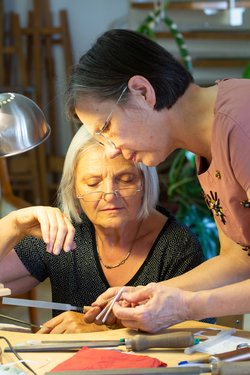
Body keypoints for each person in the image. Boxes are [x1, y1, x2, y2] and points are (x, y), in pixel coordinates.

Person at [66, 28, 250, 333]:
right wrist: (146, 294)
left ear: (142, 92)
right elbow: (238, 261)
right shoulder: (208, 144)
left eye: (107, 126)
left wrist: (187, 307)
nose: (111, 149)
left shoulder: (241, 124)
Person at [0, 125, 206, 334]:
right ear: (74, 189)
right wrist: (12, 225)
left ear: (145, 183)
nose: (109, 194)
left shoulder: (177, 245)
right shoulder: (67, 233)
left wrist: (100, 332)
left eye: (126, 180)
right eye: (93, 183)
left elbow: (194, 336)